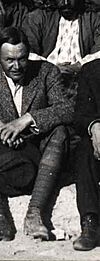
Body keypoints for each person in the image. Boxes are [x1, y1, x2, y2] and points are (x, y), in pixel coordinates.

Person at [0, 27, 74, 241]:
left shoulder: (46, 72)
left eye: (22, 58)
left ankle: (35, 214)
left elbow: (66, 109)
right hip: (0, 158)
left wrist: (27, 119)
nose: (17, 66)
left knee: (60, 132)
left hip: (38, 155)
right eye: (9, 60)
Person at [22, 0, 100, 75]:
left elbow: (98, 52)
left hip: (84, 75)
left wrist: (80, 65)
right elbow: (26, 52)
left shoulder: (94, 18)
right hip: (45, 74)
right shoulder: (38, 17)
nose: (66, 2)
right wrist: (52, 68)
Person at [73, 59, 100, 251]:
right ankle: (90, 223)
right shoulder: (92, 71)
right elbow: (80, 115)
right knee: (84, 147)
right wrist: (95, 125)